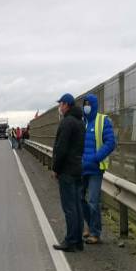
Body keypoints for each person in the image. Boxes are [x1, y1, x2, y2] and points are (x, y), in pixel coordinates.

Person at [52, 93, 86, 252]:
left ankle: (70, 241)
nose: (59, 107)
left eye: (60, 104)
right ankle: (78, 241)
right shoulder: (80, 122)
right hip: (78, 167)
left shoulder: (67, 122)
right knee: (77, 206)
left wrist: (56, 169)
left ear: (66, 104)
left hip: (67, 169)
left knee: (69, 207)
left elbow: (61, 148)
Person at [81, 94, 116, 245]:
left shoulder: (103, 121)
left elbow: (110, 142)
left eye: (89, 104)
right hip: (81, 168)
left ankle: (95, 233)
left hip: (95, 168)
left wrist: (96, 157)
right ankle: (90, 225)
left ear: (94, 105)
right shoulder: (82, 122)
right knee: (79, 199)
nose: (86, 106)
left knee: (93, 201)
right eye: (84, 104)